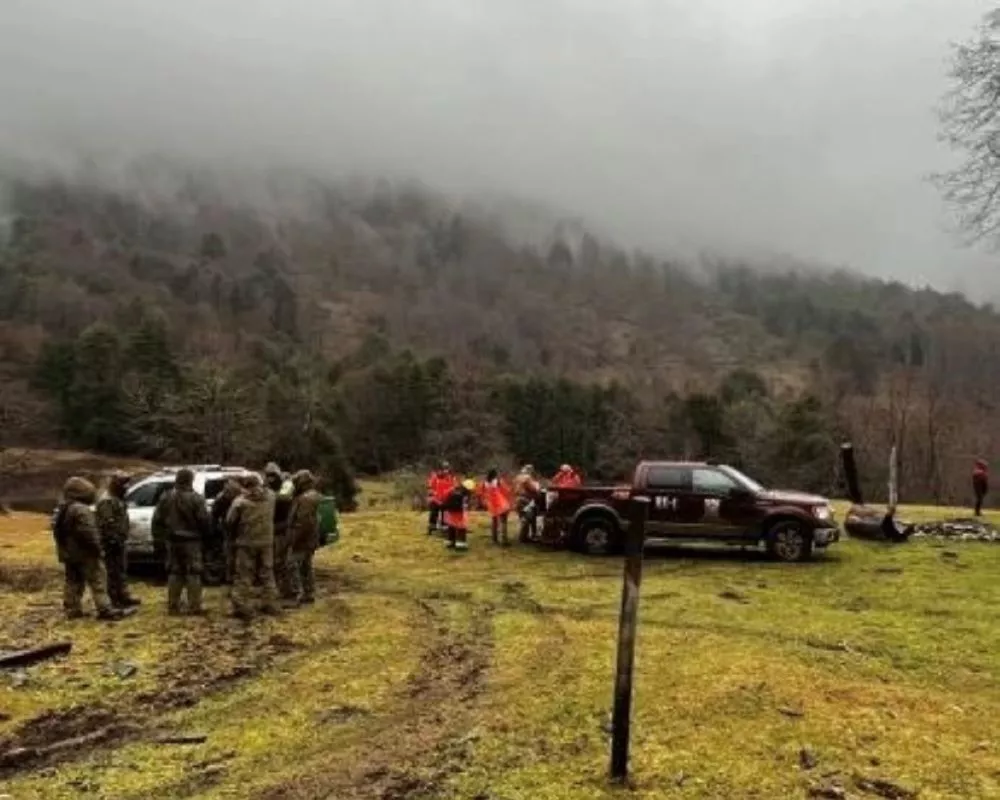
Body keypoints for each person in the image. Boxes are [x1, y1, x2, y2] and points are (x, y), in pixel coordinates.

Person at [53, 477, 127, 621]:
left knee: (73, 581)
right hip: (85, 553)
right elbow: (89, 533)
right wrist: (98, 548)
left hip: (70, 553)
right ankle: (104, 608)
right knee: (98, 579)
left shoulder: (64, 508)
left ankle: (72, 609)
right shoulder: (81, 510)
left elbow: (58, 532)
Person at [153, 468, 211, 616]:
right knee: (193, 573)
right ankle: (194, 606)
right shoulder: (196, 499)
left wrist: (160, 539)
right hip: (192, 541)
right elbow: (204, 521)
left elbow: (157, 520)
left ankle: (173, 606)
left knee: (175, 573)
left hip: (172, 540)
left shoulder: (165, 497)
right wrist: (207, 536)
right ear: (190, 480)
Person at [227, 473, 279, 620]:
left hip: (246, 542)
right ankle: (270, 603)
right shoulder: (271, 498)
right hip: (266, 542)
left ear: (245, 487)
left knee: (244, 575)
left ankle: (241, 606)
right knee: (267, 573)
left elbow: (230, 521)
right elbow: (269, 490)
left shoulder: (239, 502)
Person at [95, 471, 140, 608]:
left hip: (119, 540)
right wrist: (113, 539)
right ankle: (114, 598)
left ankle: (123, 595)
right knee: (112, 571)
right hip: (111, 543)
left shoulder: (117, 499)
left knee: (121, 569)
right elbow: (107, 524)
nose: (126, 487)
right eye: (123, 484)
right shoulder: (107, 501)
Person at [286, 470, 322, 605]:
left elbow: (303, 523)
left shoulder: (305, 499)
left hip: (302, 539)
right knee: (306, 566)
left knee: (291, 564)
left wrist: (294, 540)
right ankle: (309, 593)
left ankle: (298, 594)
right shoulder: (313, 496)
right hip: (310, 538)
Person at [264, 462, 295, 601]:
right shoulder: (268, 487)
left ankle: (287, 591)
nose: (270, 478)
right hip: (272, 527)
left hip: (283, 526)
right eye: (268, 475)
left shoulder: (286, 484)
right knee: (275, 562)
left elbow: (285, 497)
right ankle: (279, 589)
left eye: (273, 475)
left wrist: (269, 495)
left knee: (282, 562)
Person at [211, 478, 242, 583]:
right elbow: (214, 515)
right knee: (230, 555)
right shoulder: (223, 499)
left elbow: (214, 515)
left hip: (236, 530)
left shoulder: (239, 498)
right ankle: (231, 577)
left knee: (233, 555)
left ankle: (232, 577)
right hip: (230, 530)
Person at [480, 469, 513, 546]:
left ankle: (494, 539)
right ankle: (504, 540)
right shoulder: (498, 481)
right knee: (503, 521)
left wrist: (485, 501)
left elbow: (482, 494)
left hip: (492, 504)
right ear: (495, 474)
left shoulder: (485, 483)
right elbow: (507, 490)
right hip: (501, 503)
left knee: (494, 522)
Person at [443, 479, 475, 552]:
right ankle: (461, 545)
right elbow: (464, 506)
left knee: (451, 527)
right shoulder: (464, 494)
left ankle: (450, 543)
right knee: (461, 528)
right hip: (458, 513)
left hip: (449, 512)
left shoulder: (454, 490)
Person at [513, 465, 542, 543]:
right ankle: (523, 538)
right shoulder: (527, 478)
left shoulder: (517, 477)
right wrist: (538, 488)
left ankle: (525, 537)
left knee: (523, 518)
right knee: (527, 518)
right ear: (530, 470)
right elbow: (533, 489)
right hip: (525, 500)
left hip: (517, 499)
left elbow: (513, 488)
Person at [427, 461, 456, 535]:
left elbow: (454, 487)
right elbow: (430, 487)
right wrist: (433, 493)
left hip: (446, 499)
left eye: (446, 468)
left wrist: (449, 491)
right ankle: (431, 527)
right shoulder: (434, 477)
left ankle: (445, 529)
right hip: (436, 499)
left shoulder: (451, 477)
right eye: (444, 469)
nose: (445, 471)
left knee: (445, 515)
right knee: (433, 514)